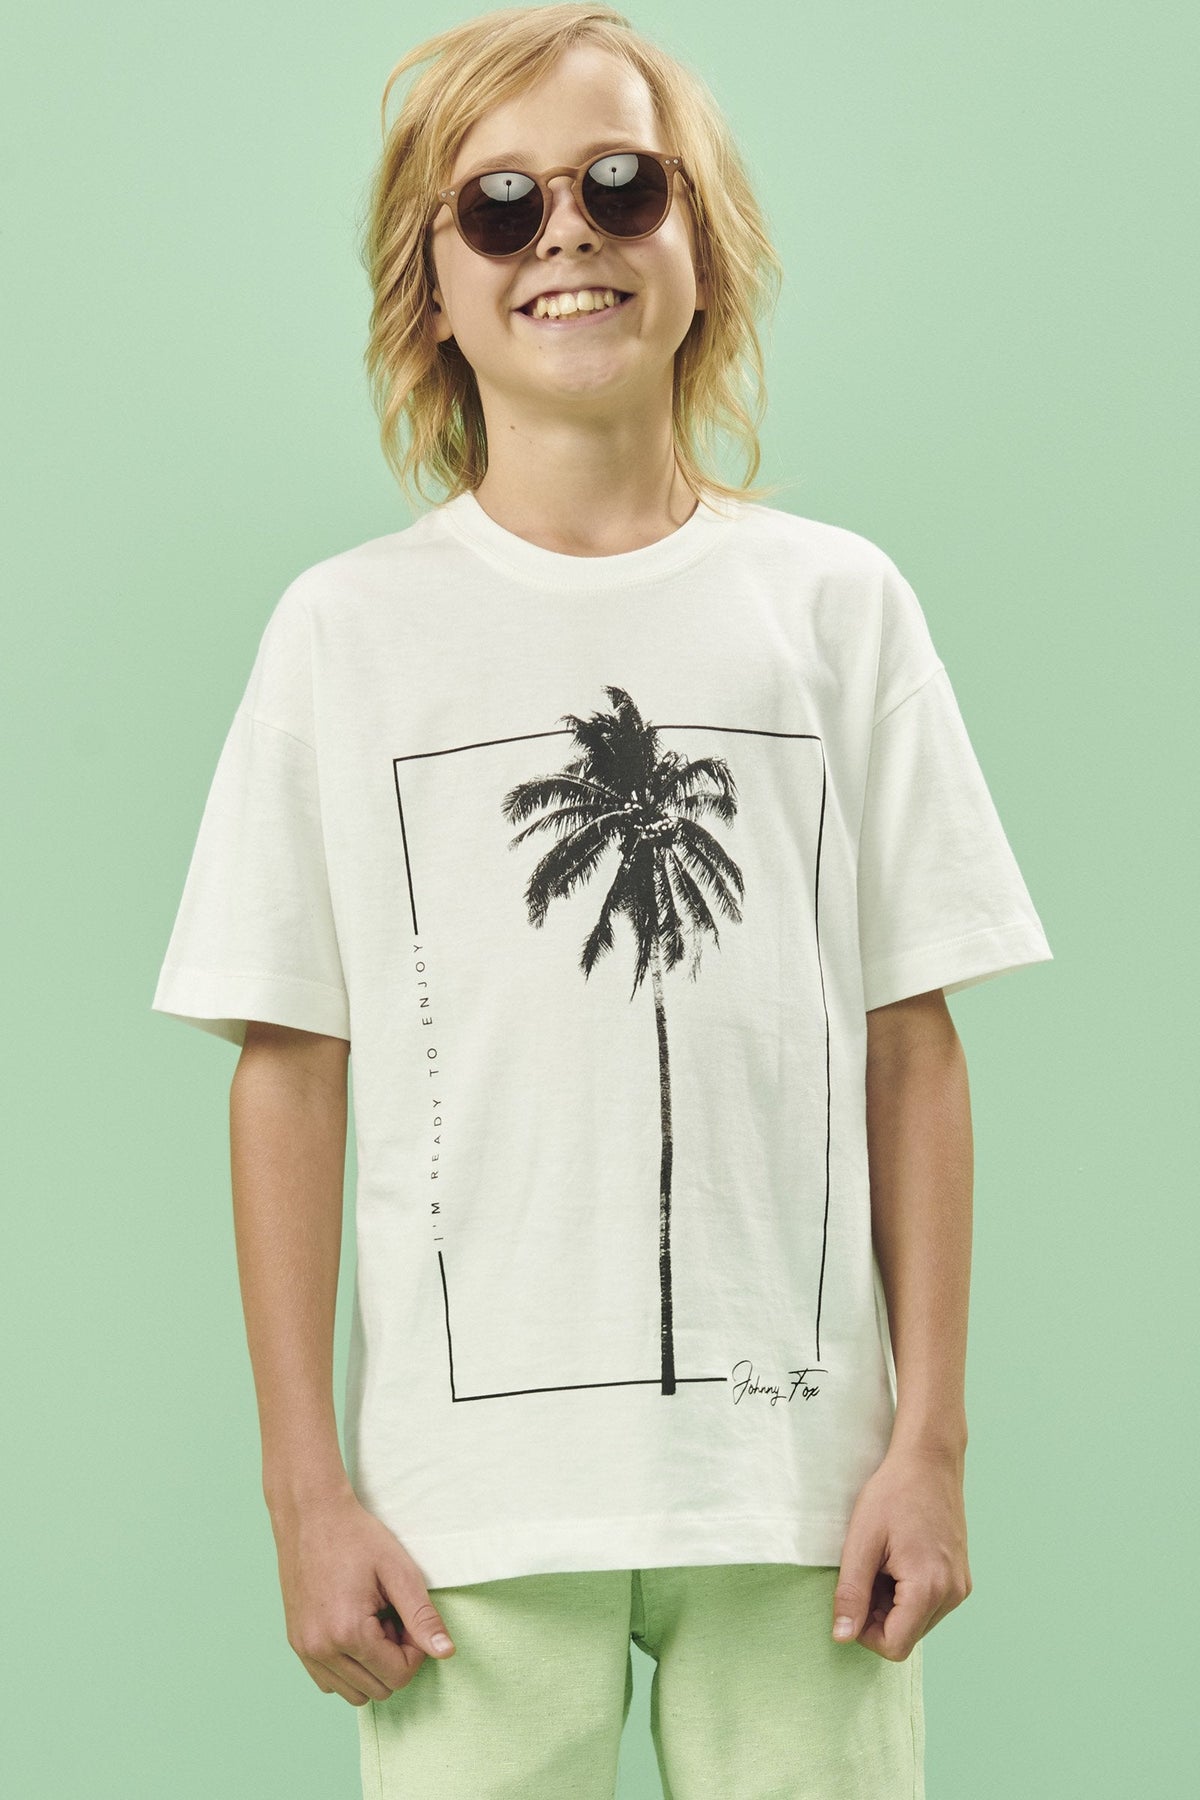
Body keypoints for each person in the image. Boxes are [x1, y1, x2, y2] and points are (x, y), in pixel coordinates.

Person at [150, 6, 1053, 1796]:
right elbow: (288, 1068)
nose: (565, 231)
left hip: (801, 1506)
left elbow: (912, 1043)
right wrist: (304, 1493)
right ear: (433, 282)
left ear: (700, 242)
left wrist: (930, 1442)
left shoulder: (836, 607)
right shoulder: (345, 634)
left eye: (621, 184)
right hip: (462, 1522)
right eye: (500, 204)